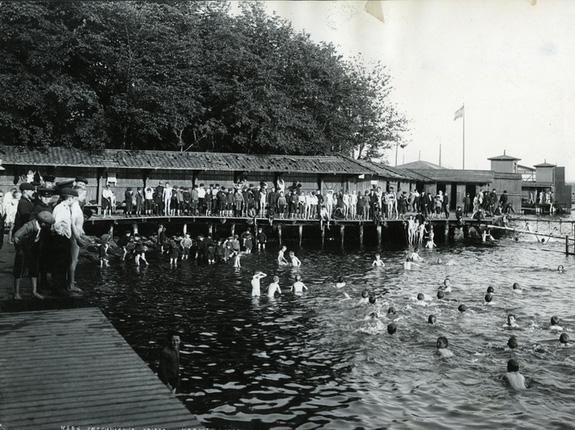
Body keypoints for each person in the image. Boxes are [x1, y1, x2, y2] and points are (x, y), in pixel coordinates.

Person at [12, 211, 55, 300]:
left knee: (34, 269)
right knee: (19, 271)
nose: (49, 226)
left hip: (33, 250)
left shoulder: (42, 227)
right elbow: (16, 236)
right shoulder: (29, 226)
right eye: (48, 224)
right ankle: (16, 293)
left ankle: (34, 292)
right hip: (23, 249)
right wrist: (20, 248)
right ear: (42, 223)